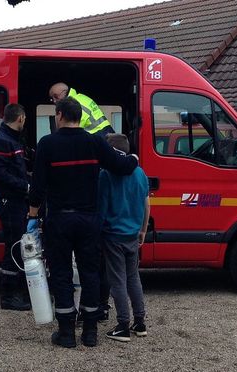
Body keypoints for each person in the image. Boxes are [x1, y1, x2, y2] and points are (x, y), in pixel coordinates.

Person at [28, 97, 138, 348]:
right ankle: (90, 332)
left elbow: (38, 187)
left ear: (59, 116)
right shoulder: (94, 142)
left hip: (59, 220)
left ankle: (66, 332)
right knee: (90, 273)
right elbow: (121, 165)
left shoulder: (47, 144)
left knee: (62, 273)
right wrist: (134, 159)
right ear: (80, 117)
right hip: (89, 220)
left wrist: (33, 216)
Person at [98, 134, 150, 342]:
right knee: (133, 277)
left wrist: (96, 232)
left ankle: (122, 325)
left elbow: (102, 208)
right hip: (132, 234)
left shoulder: (106, 175)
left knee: (117, 280)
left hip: (113, 235)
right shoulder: (140, 173)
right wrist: (143, 230)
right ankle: (140, 321)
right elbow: (147, 205)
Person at [0, 103, 31, 311]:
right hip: (9, 201)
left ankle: (18, 293)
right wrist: (26, 186)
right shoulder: (2, 142)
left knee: (18, 247)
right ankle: (8, 296)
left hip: (16, 201)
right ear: (20, 118)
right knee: (13, 248)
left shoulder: (11, 140)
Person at [48, 82, 115, 137]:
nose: (54, 100)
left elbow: (77, 124)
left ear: (64, 92)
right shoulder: (81, 97)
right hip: (104, 132)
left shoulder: (73, 103)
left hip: (100, 134)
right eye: (52, 98)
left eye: (56, 96)